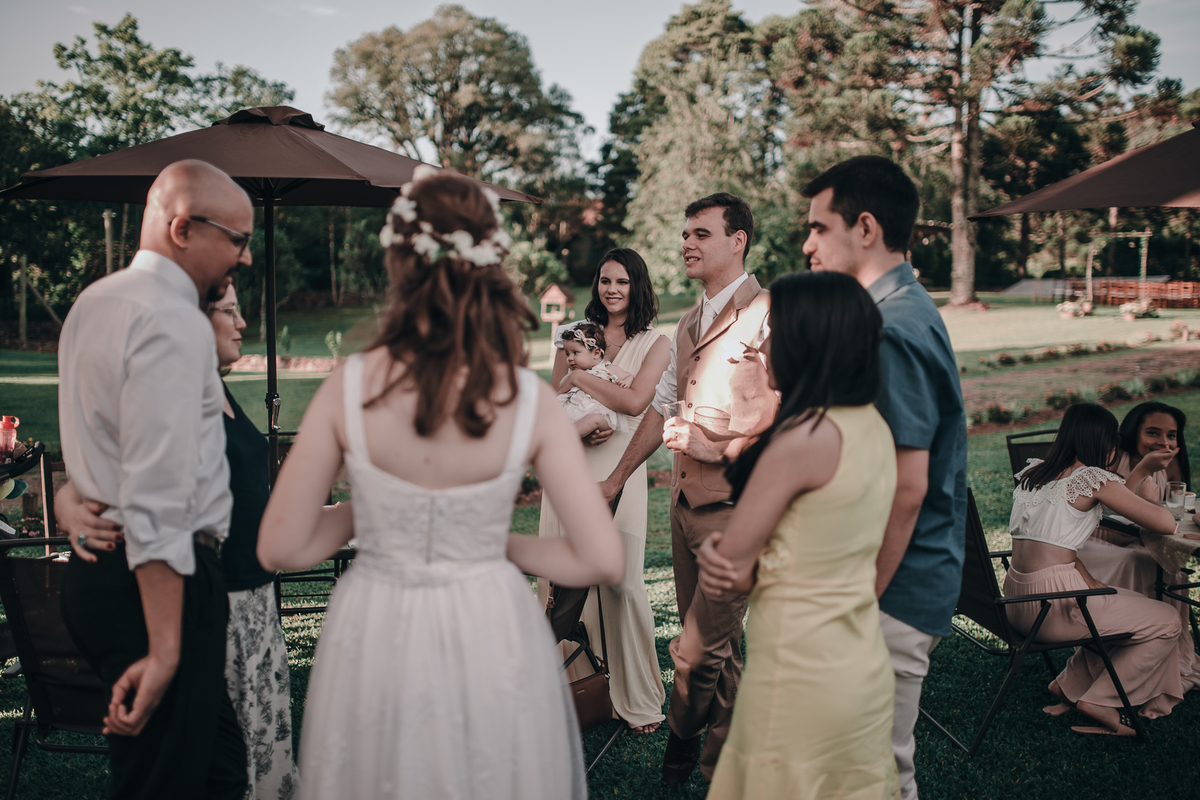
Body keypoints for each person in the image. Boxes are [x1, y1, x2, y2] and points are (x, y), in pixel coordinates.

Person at [256, 168, 624, 799]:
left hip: (377, 624)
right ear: (492, 263)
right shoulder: (524, 398)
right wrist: (490, 542)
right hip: (487, 617)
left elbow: (280, 548)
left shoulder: (350, 387)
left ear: (399, 264)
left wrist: (362, 515)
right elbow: (599, 555)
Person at [58, 281, 325, 799]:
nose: (241, 323)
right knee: (206, 765)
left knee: (252, 757)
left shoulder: (219, 392)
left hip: (256, 603)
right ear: (191, 323)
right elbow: (94, 481)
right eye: (229, 311)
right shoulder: (170, 392)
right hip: (208, 602)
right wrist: (72, 512)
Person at [56, 159, 251, 799]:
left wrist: (66, 497)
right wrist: (165, 650)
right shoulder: (172, 320)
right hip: (157, 579)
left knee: (218, 767)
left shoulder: (95, 301)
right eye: (239, 239)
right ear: (182, 228)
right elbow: (158, 493)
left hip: (103, 575)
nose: (245, 259)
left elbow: (95, 442)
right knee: (164, 784)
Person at [695, 271, 900, 799]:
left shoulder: (802, 440)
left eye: (773, 330)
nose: (763, 344)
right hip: (859, 661)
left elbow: (729, 567)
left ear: (808, 339)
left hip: (798, 667)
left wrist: (725, 554)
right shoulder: (873, 425)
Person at [801, 156, 966, 800]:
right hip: (894, 577)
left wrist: (858, 597)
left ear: (864, 227)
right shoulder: (900, 306)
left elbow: (907, 485)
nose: (808, 243)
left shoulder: (891, 327)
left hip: (890, 588)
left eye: (818, 227)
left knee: (873, 772)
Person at [598, 193, 778, 785]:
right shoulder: (688, 322)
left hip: (737, 511)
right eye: (685, 235)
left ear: (738, 240)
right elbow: (661, 408)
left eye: (702, 233)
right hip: (684, 508)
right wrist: (618, 477)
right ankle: (723, 768)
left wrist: (718, 448)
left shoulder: (768, 313)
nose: (687, 244)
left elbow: (797, 417)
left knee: (697, 652)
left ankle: (682, 739)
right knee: (719, 653)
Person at [537, 248, 671, 736]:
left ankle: (637, 697)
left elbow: (638, 400)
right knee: (562, 583)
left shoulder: (657, 342)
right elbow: (552, 404)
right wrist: (575, 386)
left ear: (638, 286)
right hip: (570, 467)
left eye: (622, 282)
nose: (611, 290)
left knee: (622, 581)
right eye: (605, 281)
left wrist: (578, 377)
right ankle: (573, 690)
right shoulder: (572, 334)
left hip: (621, 469)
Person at [1007, 403, 1195, 733]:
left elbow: (1051, 540)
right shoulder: (1091, 478)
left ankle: (1068, 685)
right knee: (1165, 621)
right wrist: (1149, 487)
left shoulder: (1032, 474)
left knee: (1124, 602)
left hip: (1016, 602)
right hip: (1054, 606)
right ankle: (1103, 700)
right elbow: (1165, 522)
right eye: (1113, 443)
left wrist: (1087, 576)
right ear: (1101, 442)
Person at [1075, 401, 1200, 698]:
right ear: (1133, 431)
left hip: (1135, 541)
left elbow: (1175, 507)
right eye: (1153, 433)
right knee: (1142, 562)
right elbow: (1110, 509)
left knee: (1172, 570)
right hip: (1095, 544)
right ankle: (1126, 660)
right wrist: (1141, 471)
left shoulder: (1168, 465)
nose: (1164, 443)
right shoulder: (1115, 458)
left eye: (1171, 436)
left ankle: (1166, 661)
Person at [557, 322, 634, 437]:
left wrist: (624, 383)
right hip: (576, 410)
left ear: (596, 353)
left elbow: (629, 376)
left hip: (601, 414)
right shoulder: (572, 373)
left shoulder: (608, 369)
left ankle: (565, 438)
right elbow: (562, 387)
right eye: (568, 354)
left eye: (575, 352)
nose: (570, 358)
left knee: (593, 419)